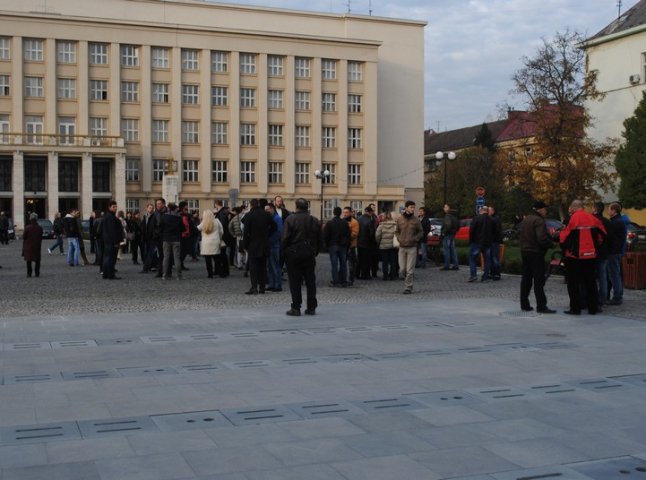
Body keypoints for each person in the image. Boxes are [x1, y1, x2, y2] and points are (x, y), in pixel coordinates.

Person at [559, 199, 607, 315]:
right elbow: (603, 235)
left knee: (573, 283)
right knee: (591, 283)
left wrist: (565, 248)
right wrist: (595, 246)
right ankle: (593, 308)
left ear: (574, 208)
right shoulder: (593, 218)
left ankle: (575, 308)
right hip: (591, 256)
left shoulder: (572, 219)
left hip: (574, 256)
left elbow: (564, 238)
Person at [282, 198, 321, 316]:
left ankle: (296, 307)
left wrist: (284, 252)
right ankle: (311, 307)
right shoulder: (314, 220)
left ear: (296, 206)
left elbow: (285, 238)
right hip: (309, 252)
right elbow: (319, 238)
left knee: (295, 281)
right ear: (307, 207)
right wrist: (315, 251)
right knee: (310, 281)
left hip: (294, 253)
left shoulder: (290, 219)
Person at [519, 201, 556, 313]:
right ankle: (541, 306)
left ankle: (524, 304)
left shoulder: (526, 219)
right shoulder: (539, 220)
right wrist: (551, 244)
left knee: (526, 278)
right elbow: (541, 238)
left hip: (525, 251)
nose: (546, 211)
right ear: (540, 209)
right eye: (545, 209)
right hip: (536, 253)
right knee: (538, 280)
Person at [242, 198, 275, 294]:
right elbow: (274, 227)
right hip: (264, 243)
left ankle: (254, 287)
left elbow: (246, 232)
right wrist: (268, 235)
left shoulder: (249, 215)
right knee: (263, 267)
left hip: (253, 244)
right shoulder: (266, 214)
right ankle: (262, 288)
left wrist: (245, 245)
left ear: (251, 205)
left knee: (253, 267)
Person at [395, 200, 423, 294]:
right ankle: (407, 281)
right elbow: (396, 231)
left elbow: (421, 232)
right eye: (411, 207)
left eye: (414, 207)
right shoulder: (400, 219)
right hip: (402, 247)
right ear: (406, 208)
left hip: (412, 247)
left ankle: (408, 287)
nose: (413, 209)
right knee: (402, 269)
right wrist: (399, 238)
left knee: (410, 270)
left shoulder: (416, 220)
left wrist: (415, 239)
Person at [606, 202, 627, 306]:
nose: (608, 211)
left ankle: (617, 297)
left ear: (614, 211)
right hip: (617, 251)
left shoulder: (615, 222)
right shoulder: (619, 221)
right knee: (616, 274)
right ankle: (618, 295)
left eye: (609, 209)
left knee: (614, 275)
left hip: (613, 252)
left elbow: (609, 237)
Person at [323, 206, 350, 287]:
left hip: (333, 245)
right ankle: (344, 280)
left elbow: (325, 235)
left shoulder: (330, 223)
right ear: (341, 213)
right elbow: (348, 235)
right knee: (343, 264)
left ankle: (336, 281)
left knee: (334, 265)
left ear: (333, 213)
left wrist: (327, 246)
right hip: (343, 246)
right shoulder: (345, 223)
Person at [592, 202, 611, 307]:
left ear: (594, 209)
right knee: (603, 276)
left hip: (593, 252)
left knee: (591, 277)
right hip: (604, 252)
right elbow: (609, 238)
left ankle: (592, 298)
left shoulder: (592, 220)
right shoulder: (608, 222)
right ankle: (603, 298)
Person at [468, 206, 494, 282]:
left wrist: (471, 241)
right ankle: (485, 277)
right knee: (487, 260)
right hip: (488, 243)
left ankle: (473, 275)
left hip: (476, 242)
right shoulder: (491, 220)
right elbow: (494, 232)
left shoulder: (476, 218)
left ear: (481, 210)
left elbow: (471, 230)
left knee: (473, 259)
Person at [159, 202, 184, 280]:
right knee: (177, 258)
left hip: (166, 239)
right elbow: (183, 229)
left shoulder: (164, 217)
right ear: (175, 208)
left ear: (168, 208)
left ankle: (165, 275)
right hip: (176, 239)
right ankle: (178, 275)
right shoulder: (179, 217)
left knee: (166, 257)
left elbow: (160, 228)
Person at [197, 209, 224, 278]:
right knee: (217, 259)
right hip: (215, 241)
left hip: (206, 243)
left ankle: (210, 274)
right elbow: (221, 231)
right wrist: (219, 238)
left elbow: (197, 229)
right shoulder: (217, 221)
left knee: (207, 260)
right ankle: (221, 273)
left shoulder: (203, 223)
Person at [101, 201, 124, 280]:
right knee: (111, 258)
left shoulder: (108, 216)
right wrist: (115, 242)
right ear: (109, 207)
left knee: (107, 257)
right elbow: (112, 231)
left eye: (116, 206)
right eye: (113, 206)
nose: (115, 208)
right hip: (112, 241)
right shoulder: (110, 217)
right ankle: (110, 274)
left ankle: (106, 274)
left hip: (108, 241)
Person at [265, 203, 284, 291]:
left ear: (272, 209)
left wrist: (269, 241)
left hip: (274, 245)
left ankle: (277, 285)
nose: (266, 211)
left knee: (275, 266)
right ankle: (271, 284)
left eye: (267, 209)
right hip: (270, 245)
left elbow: (279, 232)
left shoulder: (277, 219)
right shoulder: (270, 218)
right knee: (269, 266)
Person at [375, 210, 398, 281]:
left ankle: (385, 276)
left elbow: (377, 236)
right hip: (393, 246)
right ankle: (392, 276)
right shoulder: (395, 225)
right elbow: (398, 235)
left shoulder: (381, 225)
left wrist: (379, 242)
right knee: (393, 262)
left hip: (383, 246)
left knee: (384, 262)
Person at [357, 206, 378, 280]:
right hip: (368, 243)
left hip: (359, 242)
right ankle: (365, 275)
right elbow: (371, 233)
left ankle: (357, 274)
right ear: (370, 212)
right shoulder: (370, 220)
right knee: (367, 260)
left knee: (360, 259)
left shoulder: (359, 219)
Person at [22, 213, 43, 277]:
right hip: (37, 246)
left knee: (29, 260)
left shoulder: (27, 227)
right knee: (37, 260)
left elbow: (24, 237)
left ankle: (29, 273)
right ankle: (37, 273)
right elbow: (41, 236)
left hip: (28, 246)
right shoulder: (40, 228)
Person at [343, 206, 360, 286]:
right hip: (343, 246)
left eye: (346, 212)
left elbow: (355, 234)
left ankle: (351, 279)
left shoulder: (354, 222)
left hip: (351, 245)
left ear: (350, 213)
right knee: (343, 263)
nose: (345, 214)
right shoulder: (342, 221)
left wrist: (345, 237)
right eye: (344, 212)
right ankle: (343, 278)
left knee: (351, 264)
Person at [440, 203, 459, 270]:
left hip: (447, 235)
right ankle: (456, 265)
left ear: (449, 208)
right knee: (453, 250)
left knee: (446, 250)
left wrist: (443, 232)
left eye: (445, 207)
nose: (444, 208)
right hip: (452, 234)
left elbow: (448, 225)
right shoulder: (455, 215)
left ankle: (446, 265)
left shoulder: (448, 215)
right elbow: (458, 225)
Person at [152, 198, 167, 277]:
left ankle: (167, 271)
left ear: (163, 204)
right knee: (160, 255)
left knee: (166, 255)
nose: (158, 205)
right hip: (158, 237)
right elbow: (153, 226)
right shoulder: (155, 213)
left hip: (166, 237)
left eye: (159, 203)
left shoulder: (167, 213)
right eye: (157, 204)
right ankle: (160, 271)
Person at [488, 206, 503, 280]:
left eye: (489, 210)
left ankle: (496, 273)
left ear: (493, 211)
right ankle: (492, 273)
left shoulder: (495, 219)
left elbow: (496, 231)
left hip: (494, 241)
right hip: (493, 241)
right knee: (492, 257)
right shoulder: (494, 218)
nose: (488, 212)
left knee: (494, 257)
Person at [140, 203, 156, 273]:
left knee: (150, 253)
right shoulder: (145, 216)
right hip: (145, 238)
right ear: (147, 209)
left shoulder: (154, 216)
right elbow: (143, 227)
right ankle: (151, 266)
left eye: (152, 208)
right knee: (146, 253)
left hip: (152, 238)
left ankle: (146, 268)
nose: (151, 209)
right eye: (149, 208)